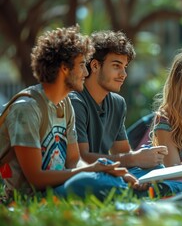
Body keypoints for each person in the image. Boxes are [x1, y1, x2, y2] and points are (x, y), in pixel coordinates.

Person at [0, 25, 141, 200]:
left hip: (62, 186)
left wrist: (102, 169)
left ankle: (131, 192)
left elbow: (74, 161)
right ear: (65, 68)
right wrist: (91, 170)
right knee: (94, 183)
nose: (86, 71)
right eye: (82, 65)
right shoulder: (27, 108)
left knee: (106, 179)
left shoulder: (65, 104)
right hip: (31, 197)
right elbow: (36, 179)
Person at [69, 30, 182, 195]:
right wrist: (134, 158)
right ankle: (157, 190)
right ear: (95, 65)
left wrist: (149, 160)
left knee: (159, 171)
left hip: (111, 174)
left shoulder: (117, 103)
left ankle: (162, 185)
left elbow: (123, 154)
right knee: (94, 182)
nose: (123, 74)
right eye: (116, 66)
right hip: (86, 177)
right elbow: (81, 158)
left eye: (125, 67)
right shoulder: (75, 101)